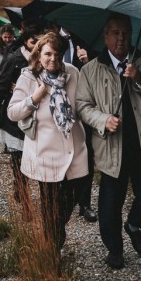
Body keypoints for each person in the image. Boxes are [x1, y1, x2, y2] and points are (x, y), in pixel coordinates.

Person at [76, 13, 141, 269]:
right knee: (108, 209)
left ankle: (134, 225)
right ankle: (115, 250)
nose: (121, 38)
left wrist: (140, 78)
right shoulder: (90, 70)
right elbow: (82, 106)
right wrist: (103, 119)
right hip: (111, 148)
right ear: (105, 37)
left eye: (125, 32)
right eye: (115, 33)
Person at [7, 31, 88, 251]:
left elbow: (82, 106)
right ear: (39, 55)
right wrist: (36, 97)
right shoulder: (28, 76)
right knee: (50, 208)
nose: (53, 59)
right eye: (48, 54)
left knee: (72, 199)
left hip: (75, 150)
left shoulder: (72, 73)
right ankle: (52, 253)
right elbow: (12, 113)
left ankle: (53, 232)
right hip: (45, 154)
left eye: (57, 54)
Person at [0, 29, 38, 217]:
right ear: (26, 41)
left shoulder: (44, 60)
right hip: (14, 119)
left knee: (31, 162)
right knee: (18, 161)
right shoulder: (13, 59)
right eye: (34, 41)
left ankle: (19, 188)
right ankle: (26, 205)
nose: (38, 45)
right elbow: (0, 86)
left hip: (35, 120)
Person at [59, 26, 97, 223]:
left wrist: (86, 62)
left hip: (82, 110)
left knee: (86, 154)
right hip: (56, 113)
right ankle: (62, 199)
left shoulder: (86, 42)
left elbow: (96, 79)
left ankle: (85, 203)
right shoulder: (50, 42)